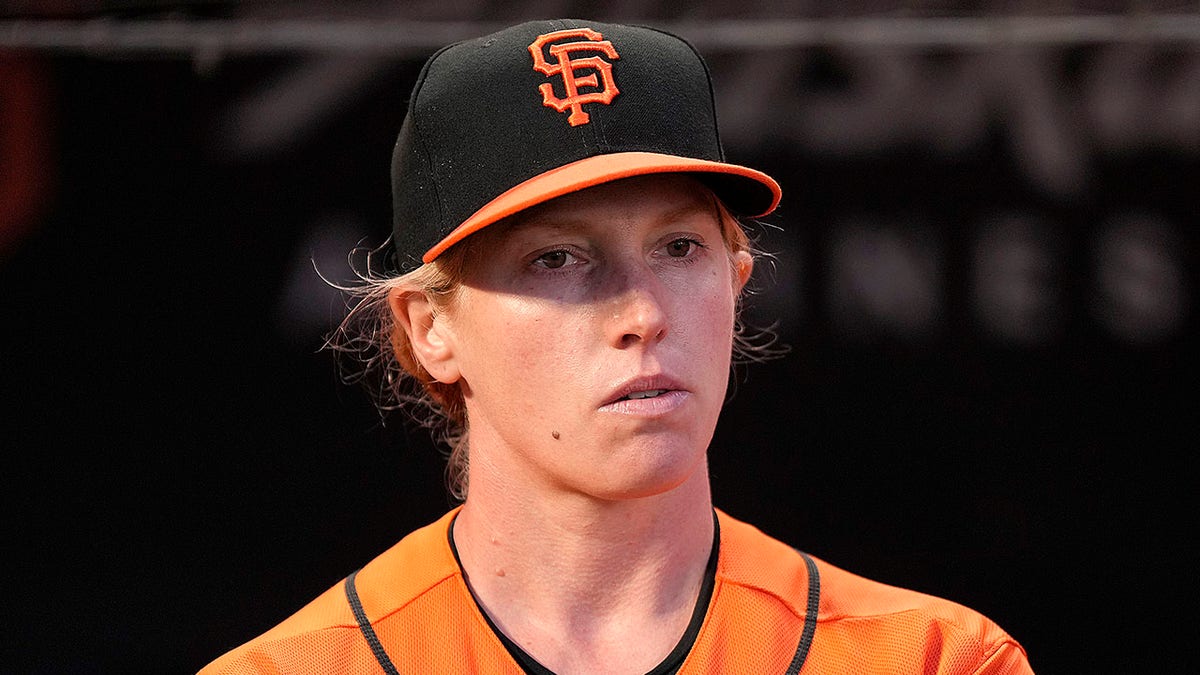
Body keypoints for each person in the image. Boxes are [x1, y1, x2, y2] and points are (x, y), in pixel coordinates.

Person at [200, 19, 1034, 674]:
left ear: (737, 279)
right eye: (556, 257)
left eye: (679, 247)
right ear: (430, 327)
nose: (642, 311)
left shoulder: (931, 659)